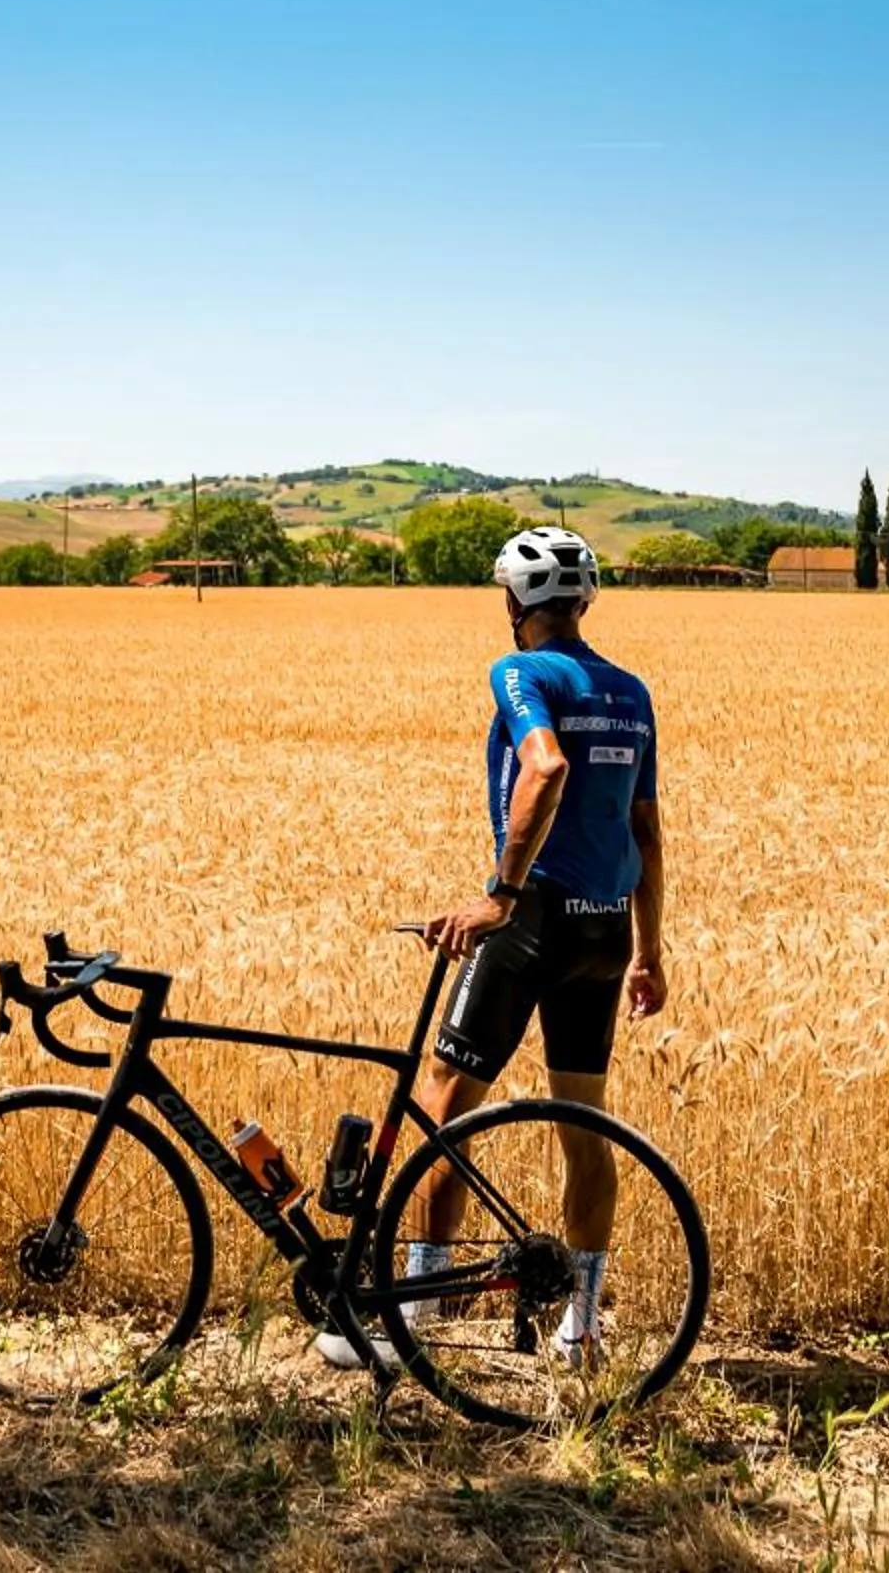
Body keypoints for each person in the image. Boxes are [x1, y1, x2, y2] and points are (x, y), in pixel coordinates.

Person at [319, 524, 667, 1370]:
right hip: (604, 927)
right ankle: (581, 1329)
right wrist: (652, 951)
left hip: (533, 918)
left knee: (445, 1105)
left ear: (516, 602)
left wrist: (498, 896)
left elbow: (544, 768)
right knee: (583, 1128)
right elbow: (646, 829)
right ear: (583, 602)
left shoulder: (520, 671)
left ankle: (420, 1315)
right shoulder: (630, 692)